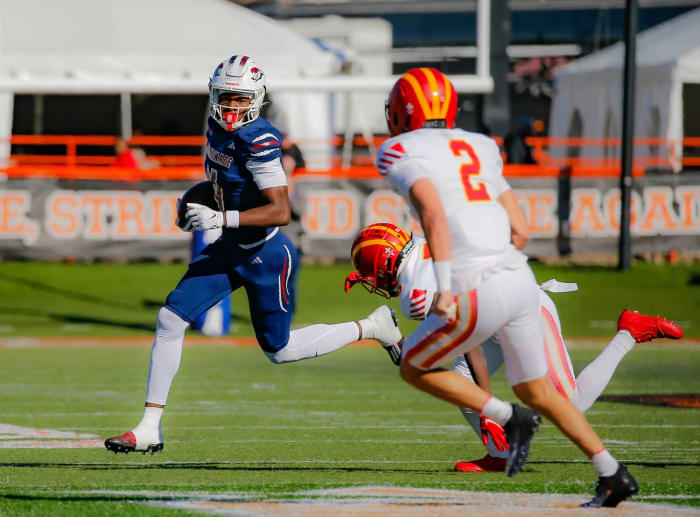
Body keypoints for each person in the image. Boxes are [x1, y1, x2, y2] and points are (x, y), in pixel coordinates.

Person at [104, 55, 402, 456]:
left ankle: (373, 326)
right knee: (170, 318)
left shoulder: (259, 139)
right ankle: (149, 427)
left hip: (266, 252)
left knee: (280, 351)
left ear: (257, 100)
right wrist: (192, 203)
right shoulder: (215, 129)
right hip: (231, 246)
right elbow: (218, 183)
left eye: (240, 99)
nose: (230, 106)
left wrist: (220, 217)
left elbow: (279, 210)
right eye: (225, 97)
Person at [374, 67, 639, 507]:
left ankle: (506, 418)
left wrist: (446, 285)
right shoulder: (480, 145)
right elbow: (520, 226)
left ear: (402, 113)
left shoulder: (398, 149)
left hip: (473, 282)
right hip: (520, 280)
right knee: (539, 391)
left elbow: (434, 215)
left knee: (414, 367)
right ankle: (612, 472)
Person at [345, 222, 683, 473]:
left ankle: (629, 332)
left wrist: (488, 404)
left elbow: (467, 337)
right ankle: (500, 454)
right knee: (461, 388)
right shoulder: (421, 246)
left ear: (386, 264)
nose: (372, 282)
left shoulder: (414, 295)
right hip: (496, 312)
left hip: (523, 311)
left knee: (570, 405)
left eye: (369, 274)